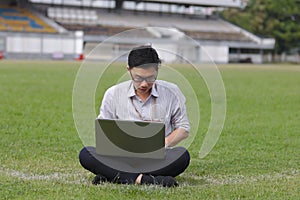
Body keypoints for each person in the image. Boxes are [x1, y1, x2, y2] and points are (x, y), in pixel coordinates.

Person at [79, 45, 190, 187]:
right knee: (86, 153)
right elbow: (103, 131)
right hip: (120, 158)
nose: (144, 84)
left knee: (182, 155)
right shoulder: (113, 93)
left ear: (157, 70)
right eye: (138, 78)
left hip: (156, 159)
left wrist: (164, 143)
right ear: (129, 70)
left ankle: (114, 175)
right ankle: (144, 180)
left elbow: (183, 128)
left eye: (150, 78)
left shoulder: (172, 92)